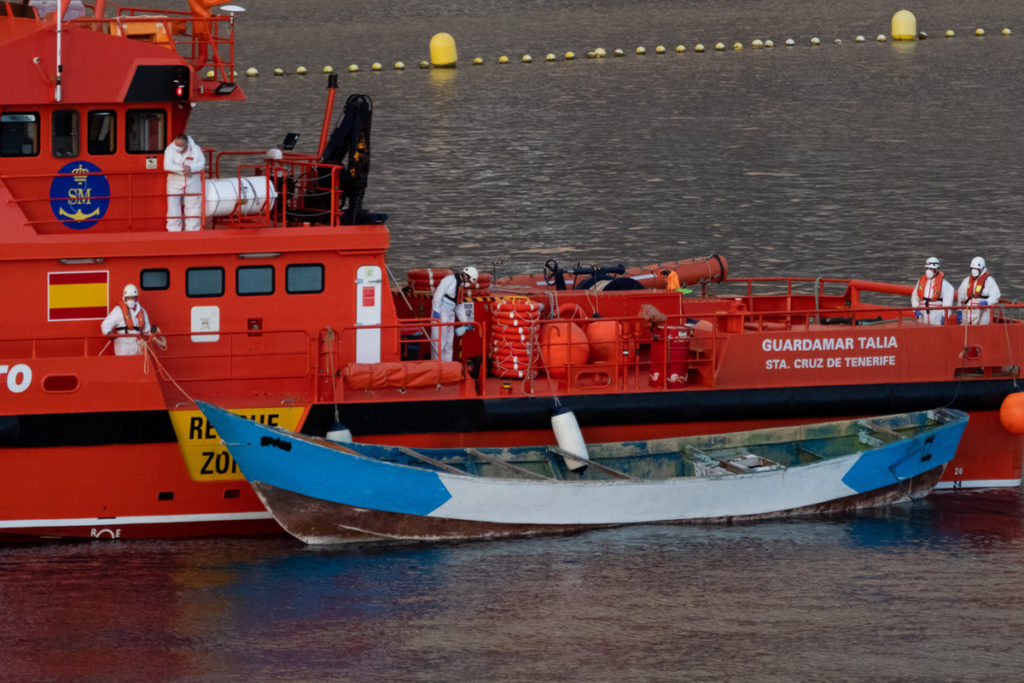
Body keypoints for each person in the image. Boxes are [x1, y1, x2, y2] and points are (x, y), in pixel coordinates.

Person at [431, 266, 477, 361]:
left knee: (448, 343)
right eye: (469, 281)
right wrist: (436, 310)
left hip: (450, 312)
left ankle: (448, 367)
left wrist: (466, 322)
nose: (468, 284)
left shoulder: (460, 288)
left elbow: (459, 306)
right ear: (466, 276)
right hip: (441, 311)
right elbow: (438, 294)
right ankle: (437, 366)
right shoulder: (449, 280)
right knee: (439, 342)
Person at [164, 133, 206, 231]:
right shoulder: (170, 149)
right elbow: (167, 166)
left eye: (180, 146)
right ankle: (173, 230)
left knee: (194, 206)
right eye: (176, 145)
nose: (177, 148)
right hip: (174, 181)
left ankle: (192, 230)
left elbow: (201, 164)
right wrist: (184, 170)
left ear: (186, 144)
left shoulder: (196, 150)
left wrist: (191, 168)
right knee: (173, 206)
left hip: (193, 180)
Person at [100, 284, 153, 356]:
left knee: (138, 366)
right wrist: (109, 333)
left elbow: (147, 330)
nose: (131, 300)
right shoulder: (118, 310)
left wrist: (153, 331)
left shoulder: (141, 311)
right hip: (123, 350)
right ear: (125, 298)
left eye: (133, 297)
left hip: (138, 349)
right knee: (123, 366)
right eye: (128, 298)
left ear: (136, 298)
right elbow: (105, 324)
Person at [911, 257, 954, 325]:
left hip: (937, 317)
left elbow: (948, 303)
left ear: (936, 269)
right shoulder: (920, 282)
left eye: (930, 269)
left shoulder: (945, 285)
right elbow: (914, 296)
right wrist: (915, 309)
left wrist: (944, 316)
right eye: (927, 268)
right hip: (922, 316)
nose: (928, 271)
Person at [958, 256, 1001, 325]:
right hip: (967, 312)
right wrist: (959, 311)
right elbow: (960, 297)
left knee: (981, 329)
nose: (974, 271)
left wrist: (987, 302)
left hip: (982, 313)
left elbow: (996, 296)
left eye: (977, 269)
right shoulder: (966, 281)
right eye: (973, 268)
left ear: (982, 269)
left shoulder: (989, 281)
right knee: (965, 330)